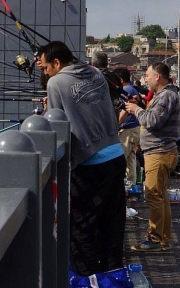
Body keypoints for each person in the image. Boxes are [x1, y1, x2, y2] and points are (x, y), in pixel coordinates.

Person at [38, 41, 126, 275]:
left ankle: (89, 278)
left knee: (82, 229)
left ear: (57, 63)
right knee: (112, 225)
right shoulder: (96, 73)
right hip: (116, 155)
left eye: (46, 68)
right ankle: (113, 275)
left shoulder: (56, 82)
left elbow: (56, 124)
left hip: (90, 165)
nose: (45, 74)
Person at [123, 62, 180, 253]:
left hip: (159, 152)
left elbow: (153, 121)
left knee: (153, 196)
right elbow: (154, 117)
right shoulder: (163, 95)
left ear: (158, 76)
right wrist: (140, 105)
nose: (145, 79)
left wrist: (135, 110)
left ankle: (154, 239)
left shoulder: (165, 96)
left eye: (147, 75)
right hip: (159, 151)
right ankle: (163, 239)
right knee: (161, 197)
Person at [114, 68, 141, 186]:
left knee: (120, 160)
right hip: (135, 129)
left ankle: (121, 188)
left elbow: (125, 110)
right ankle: (131, 188)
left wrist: (116, 124)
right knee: (131, 161)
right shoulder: (133, 89)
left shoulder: (125, 91)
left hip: (128, 130)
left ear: (120, 79)